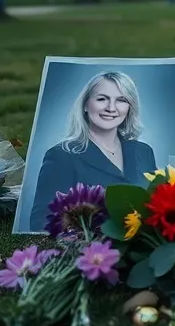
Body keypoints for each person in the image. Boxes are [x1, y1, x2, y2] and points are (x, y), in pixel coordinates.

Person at [28, 70, 156, 230]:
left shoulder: (144, 152)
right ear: (85, 105)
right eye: (102, 99)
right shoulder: (62, 156)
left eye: (121, 100)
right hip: (90, 250)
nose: (111, 108)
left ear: (130, 107)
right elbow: (41, 222)